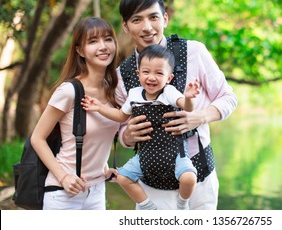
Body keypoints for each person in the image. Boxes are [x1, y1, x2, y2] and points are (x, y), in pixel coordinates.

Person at [115, 0, 238, 210]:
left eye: (153, 17)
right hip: (152, 188)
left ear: (165, 18)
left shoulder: (194, 52)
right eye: (136, 20)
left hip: (199, 181)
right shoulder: (122, 75)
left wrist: (199, 117)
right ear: (125, 26)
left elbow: (228, 98)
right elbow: (120, 128)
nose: (147, 27)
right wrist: (128, 135)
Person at [81, 44, 200, 210]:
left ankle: (182, 202)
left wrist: (189, 97)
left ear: (169, 78)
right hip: (147, 154)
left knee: (189, 178)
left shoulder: (169, 92)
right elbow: (121, 116)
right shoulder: (134, 94)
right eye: (146, 72)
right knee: (123, 177)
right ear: (138, 74)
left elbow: (187, 107)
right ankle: (146, 206)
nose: (151, 77)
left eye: (159, 73)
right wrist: (99, 107)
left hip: (174, 152)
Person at [30, 17, 120, 210]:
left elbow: (98, 137)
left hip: (96, 190)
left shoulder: (113, 92)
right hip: (64, 192)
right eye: (93, 41)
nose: (103, 46)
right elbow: (37, 138)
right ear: (79, 50)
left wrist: (103, 169)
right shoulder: (69, 91)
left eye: (108, 39)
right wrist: (64, 178)